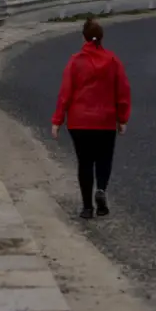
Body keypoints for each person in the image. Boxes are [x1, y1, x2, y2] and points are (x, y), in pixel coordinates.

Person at [51, 17, 131, 219]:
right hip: (105, 121)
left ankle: (87, 208)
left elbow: (65, 94)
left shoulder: (75, 61)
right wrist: (122, 119)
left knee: (84, 162)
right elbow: (122, 92)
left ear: (83, 37)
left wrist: (57, 121)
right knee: (104, 159)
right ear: (101, 37)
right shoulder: (113, 61)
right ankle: (101, 189)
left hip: (79, 122)